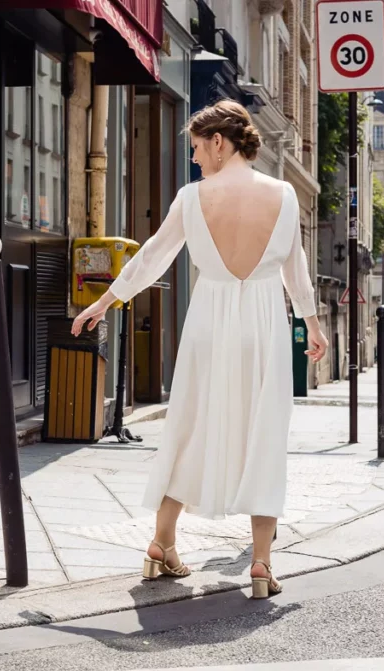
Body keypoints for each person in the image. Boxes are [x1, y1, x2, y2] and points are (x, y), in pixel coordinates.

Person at [72, 100, 328, 599]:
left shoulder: (192, 198)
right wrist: (313, 325)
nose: (193, 158)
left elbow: (152, 258)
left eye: (195, 147)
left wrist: (105, 301)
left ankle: (161, 542)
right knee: (265, 434)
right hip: (263, 323)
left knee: (190, 426)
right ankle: (259, 564)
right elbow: (295, 269)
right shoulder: (284, 195)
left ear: (218, 142)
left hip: (208, 322)